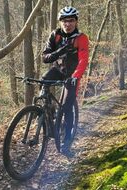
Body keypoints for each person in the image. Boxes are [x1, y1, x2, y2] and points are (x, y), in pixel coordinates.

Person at [42, 6, 89, 154]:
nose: (67, 24)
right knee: (43, 81)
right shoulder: (55, 35)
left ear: (76, 22)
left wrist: (75, 77)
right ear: (60, 22)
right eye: (64, 21)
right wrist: (59, 52)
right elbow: (45, 57)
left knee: (67, 107)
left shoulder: (81, 38)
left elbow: (83, 60)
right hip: (58, 71)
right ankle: (47, 113)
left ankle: (67, 141)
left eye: (71, 21)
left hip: (72, 75)